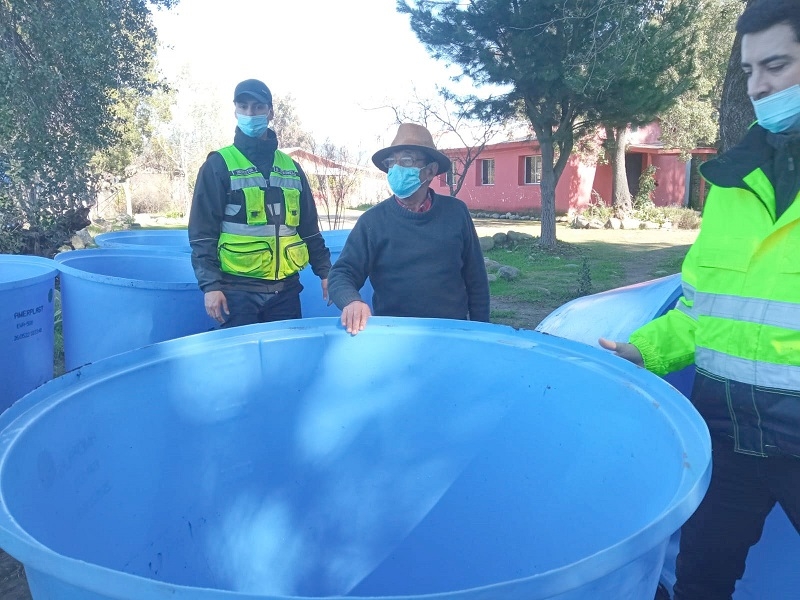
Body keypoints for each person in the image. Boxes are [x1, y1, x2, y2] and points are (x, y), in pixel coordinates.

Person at [599, 1, 800, 598]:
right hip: (725, 431)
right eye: (749, 71)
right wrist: (640, 350)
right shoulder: (732, 185)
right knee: (701, 579)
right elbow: (701, 308)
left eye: (778, 65)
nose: (760, 87)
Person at [189, 79, 331, 328]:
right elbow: (202, 234)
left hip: (286, 290)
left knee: (285, 360)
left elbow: (309, 229)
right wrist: (210, 286)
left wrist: (326, 272)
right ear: (235, 111)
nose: (250, 113)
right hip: (237, 290)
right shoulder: (218, 165)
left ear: (270, 112)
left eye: (257, 107)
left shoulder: (291, 168)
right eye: (243, 107)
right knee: (243, 364)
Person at [327, 123, 490, 335]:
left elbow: (475, 278)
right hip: (395, 336)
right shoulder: (372, 222)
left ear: (430, 170)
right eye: (391, 163)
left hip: (451, 333)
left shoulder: (456, 213)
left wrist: (482, 332)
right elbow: (341, 273)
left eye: (406, 160)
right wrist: (352, 301)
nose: (396, 169)